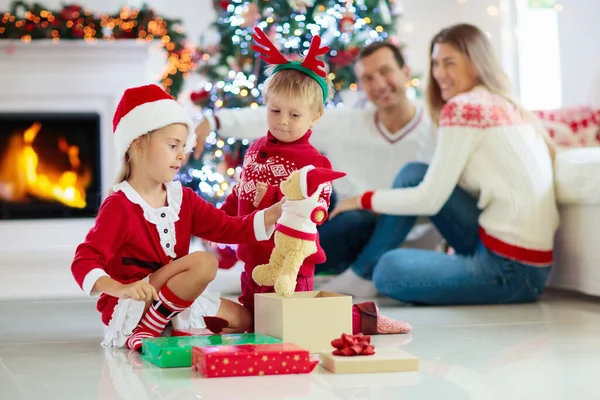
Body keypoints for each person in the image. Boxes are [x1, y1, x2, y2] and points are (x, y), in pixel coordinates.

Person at [326, 23, 559, 304]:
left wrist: (361, 200)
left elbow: (430, 199)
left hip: (511, 269)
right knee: (414, 174)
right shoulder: (501, 102)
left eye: (450, 63)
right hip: (515, 254)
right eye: (436, 63)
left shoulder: (463, 108)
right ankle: (360, 275)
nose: (439, 74)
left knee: (388, 269)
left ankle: (362, 274)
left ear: (475, 63)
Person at [194, 41, 438, 294]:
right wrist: (214, 120)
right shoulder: (350, 122)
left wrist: (372, 202)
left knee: (359, 217)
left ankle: (348, 274)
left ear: (406, 72)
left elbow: (437, 195)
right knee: (307, 196)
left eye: (385, 71)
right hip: (342, 224)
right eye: (368, 78)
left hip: (396, 231)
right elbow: (282, 111)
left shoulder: (435, 127)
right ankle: (262, 270)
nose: (378, 84)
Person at [219, 28, 409, 335]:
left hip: (290, 262)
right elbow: (240, 191)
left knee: (300, 318)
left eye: (294, 115)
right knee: (256, 319)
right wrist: (221, 219)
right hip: (252, 255)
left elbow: (317, 208)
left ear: (315, 117)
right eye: (275, 110)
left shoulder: (313, 162)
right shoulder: (255, 149)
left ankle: (364, 319)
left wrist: (287, 204)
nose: (282, 120)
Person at [70, 84, 283, 352]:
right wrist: (119, 289)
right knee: (204, 262)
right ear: (138, 144)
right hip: (136, 302)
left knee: (243, 320)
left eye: (183, 146)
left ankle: (169, 323)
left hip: (171, 295)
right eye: (173, 146)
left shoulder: (182, 199)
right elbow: (84, 260)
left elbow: (226, 227)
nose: (182, 155)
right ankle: (147, 327)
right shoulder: (120, 205)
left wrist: (270, 215)